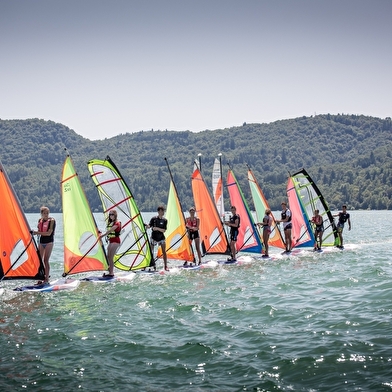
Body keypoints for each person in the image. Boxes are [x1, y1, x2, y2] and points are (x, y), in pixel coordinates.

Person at [32, 206, 56, 284]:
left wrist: (37, 232)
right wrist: (32, 233)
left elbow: (49, 233)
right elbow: (39, 231)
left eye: (47, 213)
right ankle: (40, 278)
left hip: (49, 242)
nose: (46, 215)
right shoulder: (40, 220)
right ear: (41, 214)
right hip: (41, 242)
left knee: (46, 260)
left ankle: (46, 279)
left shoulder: (52, 221)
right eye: (44, 213)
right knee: (40, 260)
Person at [99, 209, 121, 277]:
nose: (111, 216)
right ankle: (110, 271)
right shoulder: (110, 223)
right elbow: (108, 231)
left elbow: (110, 231)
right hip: (111, 241)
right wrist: (100, 233)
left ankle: (111, 273)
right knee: (108, 256)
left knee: (111, 257)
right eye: (110, 214)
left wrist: (102, 235)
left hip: (116, 241)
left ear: (115, 215)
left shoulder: (117, 223)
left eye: (112, 214)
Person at [146, 206, 168, 271]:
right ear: (159, 211)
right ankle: (151, 265)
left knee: (164, 252)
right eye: (162, 211)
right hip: (154, 237)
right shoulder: (153, 219)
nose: (163, 212)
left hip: (161, 238)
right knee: (151, 252)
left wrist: (157, 228)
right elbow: (150, 225)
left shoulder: (165, 220)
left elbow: (164, 230)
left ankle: (166, 266)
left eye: (164, 211)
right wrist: (148, 226)